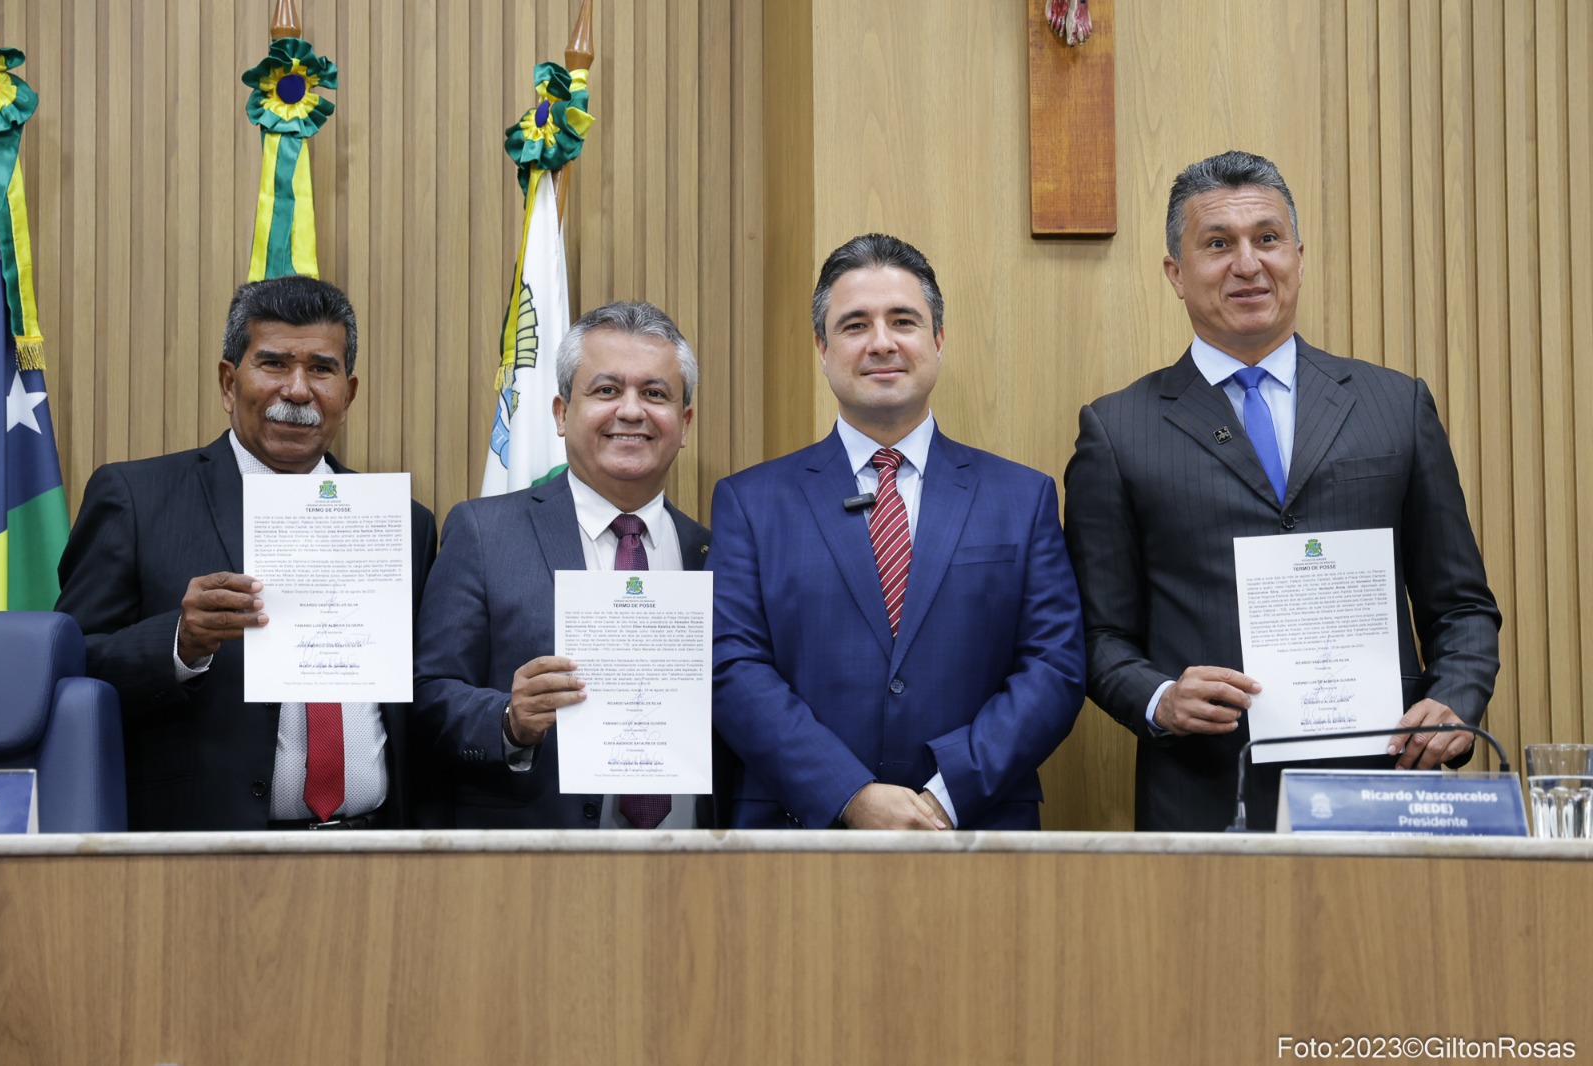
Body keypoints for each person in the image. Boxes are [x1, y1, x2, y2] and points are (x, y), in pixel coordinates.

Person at [1063, 149, 1501, 831]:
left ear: (1298, 256)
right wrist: (1159, 698)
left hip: (1381, 787)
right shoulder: (1118, 431)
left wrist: (1455, 700)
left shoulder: (1395, 406)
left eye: (1267, 238)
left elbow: (1462, 605)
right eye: (1218, 244)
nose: (1248, 264)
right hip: (1205, 798)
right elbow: (1098, 635)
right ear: (1176, 274)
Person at [709, 233, 1086, 830]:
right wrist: (849, 794)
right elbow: (731, 666)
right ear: (822, 348)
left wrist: (947, 794)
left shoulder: (1023, 498)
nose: (881, 342)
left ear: (938, 339)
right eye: (855, 325)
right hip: (798, 833)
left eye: (903, 321)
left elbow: (1053, 666)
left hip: (974, 828)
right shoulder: (750, 503)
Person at [56, 275, 438, 830]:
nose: (298, 390)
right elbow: (71, 664)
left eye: (321, 369)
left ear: (348, 394)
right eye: (274, 364)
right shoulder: (135, 498)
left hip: (378, 849)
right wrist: (179, 643)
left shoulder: (405, 522)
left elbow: (426, 689)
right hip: (204, 849)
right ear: (229, 383)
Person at [413, 300, 726, 828]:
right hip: (538, 858)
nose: (631, 411)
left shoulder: (714, 554)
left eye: (655, 394)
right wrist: (509, 720)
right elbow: (427, 698)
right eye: (606, 390)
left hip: (693, 856)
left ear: (685, 422)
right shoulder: (484, 533)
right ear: (561, 413)